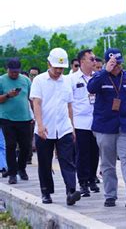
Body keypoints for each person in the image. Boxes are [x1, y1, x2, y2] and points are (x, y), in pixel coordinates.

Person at [87, 48, 126, 208]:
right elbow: (91, 88)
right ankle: (110, 195)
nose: (117, 67)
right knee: (108, 163)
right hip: (105, 126)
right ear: (108, 62)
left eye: (119, 63)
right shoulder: (100, 77)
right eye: (114, 64)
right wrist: (104, 71)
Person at [30, 48, 81, 205]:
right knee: (45, 162)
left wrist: (72, 126)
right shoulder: (39, 80)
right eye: (56, 67)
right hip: (44, 128)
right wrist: (39, 125)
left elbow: (69, 106)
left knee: (67, 160)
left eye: (61, 68)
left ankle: (71, 191)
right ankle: (46, 192)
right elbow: (36, 103)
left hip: (64, 127)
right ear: (48, 64)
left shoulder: (67, 81)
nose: (59, 71)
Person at [69, 49, 100, 197]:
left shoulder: (98, 77)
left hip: (96, 120)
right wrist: (71, 125)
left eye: (94, 59)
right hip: (80, 121)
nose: (94, 62)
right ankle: (82, 182)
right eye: (91, 59)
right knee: (82, 153)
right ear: (82, 61)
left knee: (95, 152)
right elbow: (68, 103)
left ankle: (92, 179)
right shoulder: (72, 79)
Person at [0, 58, 33, 184]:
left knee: (26, 146)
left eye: (16, 72)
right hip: (7, 118)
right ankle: (12, 174)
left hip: (24, 118)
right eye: (12, 71)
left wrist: (35, 114)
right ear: (7, 69)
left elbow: (32, 98)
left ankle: (21, 168)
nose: (14, 74)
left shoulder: (25, 80)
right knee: (10, 145)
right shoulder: (1, 80)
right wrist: (8, 95)